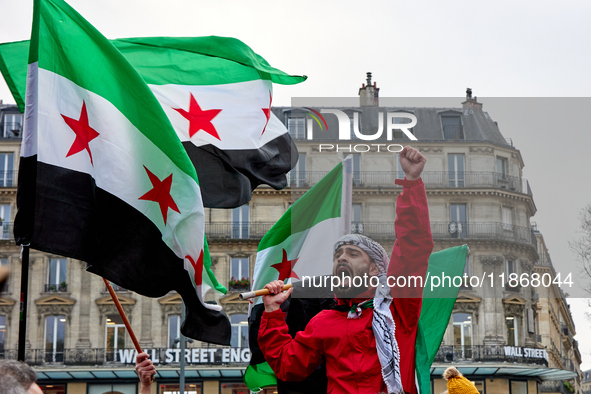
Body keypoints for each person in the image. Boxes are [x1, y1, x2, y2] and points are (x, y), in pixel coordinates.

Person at [258, 146, 434, 394]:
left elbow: (413, 246)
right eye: (337, 255)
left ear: (375, 269)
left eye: (352, 254)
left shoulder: (398, 308)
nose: (341, 259)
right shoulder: (323, 322)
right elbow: (289, 366)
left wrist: (412, 183)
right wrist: (272, 311)